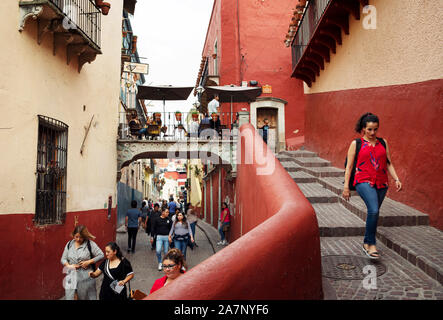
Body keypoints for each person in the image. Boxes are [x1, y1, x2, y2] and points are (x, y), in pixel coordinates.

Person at [342, 113, 402, 260]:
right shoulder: (356, 144)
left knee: (373, 213)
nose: (372, 133)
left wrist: (396, 179)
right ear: (363, 128)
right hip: (363, 181)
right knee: (374, 210)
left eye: (375, 129)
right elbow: (349, 167)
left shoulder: (383, 142)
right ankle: (371, 244)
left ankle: (366, 244)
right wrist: (346, 187)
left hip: (382, 183)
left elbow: (388, 162)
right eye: (369, 129)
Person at [61, 225, 104, 300]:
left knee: (86, 297)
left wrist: (89, 262)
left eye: (80, 237)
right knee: (69, 297)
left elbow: (101, 255)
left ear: (85, 236)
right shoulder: (69, 244)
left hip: (86, 275)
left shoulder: (90, 244)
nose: (78, 239)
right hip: (71, 275)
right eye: (76, 236)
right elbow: (63, 259)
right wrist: (69, 266)